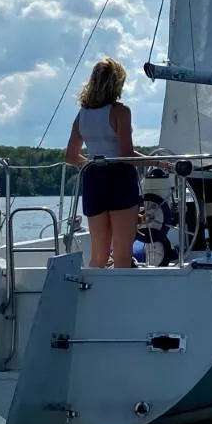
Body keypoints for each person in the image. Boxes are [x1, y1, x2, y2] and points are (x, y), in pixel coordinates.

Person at [65, 57, 141, 268]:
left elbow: (71, 157)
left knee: (98, 256)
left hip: (93, 181)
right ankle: (121, 300)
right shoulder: (120, 111)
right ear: (117, 84)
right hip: (119, 180)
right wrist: (159, 163)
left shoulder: (83, 115)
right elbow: (126, 155)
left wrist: (92, 164)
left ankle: (92, 298)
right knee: (122, 255)